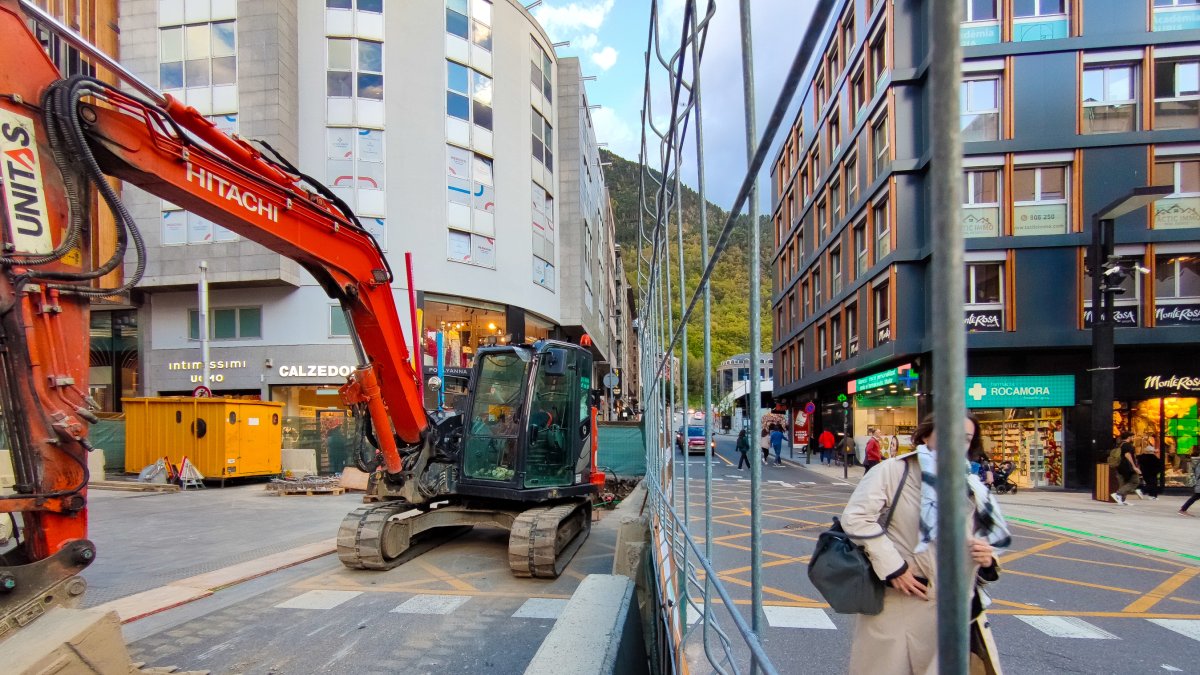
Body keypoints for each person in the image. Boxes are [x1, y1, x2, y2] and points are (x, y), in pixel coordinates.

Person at [841, 414, 1009, 675]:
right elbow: (856, 518)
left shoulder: (971, 485)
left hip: (955, 608)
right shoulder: (894, 471)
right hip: (903, 601)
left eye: (965, 439)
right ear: (926, 434)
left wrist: (988, 560)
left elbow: (985, 537)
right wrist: (894, 568)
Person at [1111, 430, 1144, 505]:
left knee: (1124, 482)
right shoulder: (1128, 445)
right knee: (1135, 481)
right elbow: (1127, 455)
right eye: (1132, 437)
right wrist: (1134, 467)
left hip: (1120, 466)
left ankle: (1122, 499)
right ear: (1129, 437)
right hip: (1128, 467)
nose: (1133, 438)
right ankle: (1118, 494)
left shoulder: (1119, 444)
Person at [1137, 436, 1162, 500]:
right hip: (1152, 473)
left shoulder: (1141, 457)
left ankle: (1152, 495)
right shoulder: (1153, 458)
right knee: (1153, 484)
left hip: (1145, 473)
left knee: (1149, 483)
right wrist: (1158, 471)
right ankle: (1143, 491)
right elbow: (1158, 465)